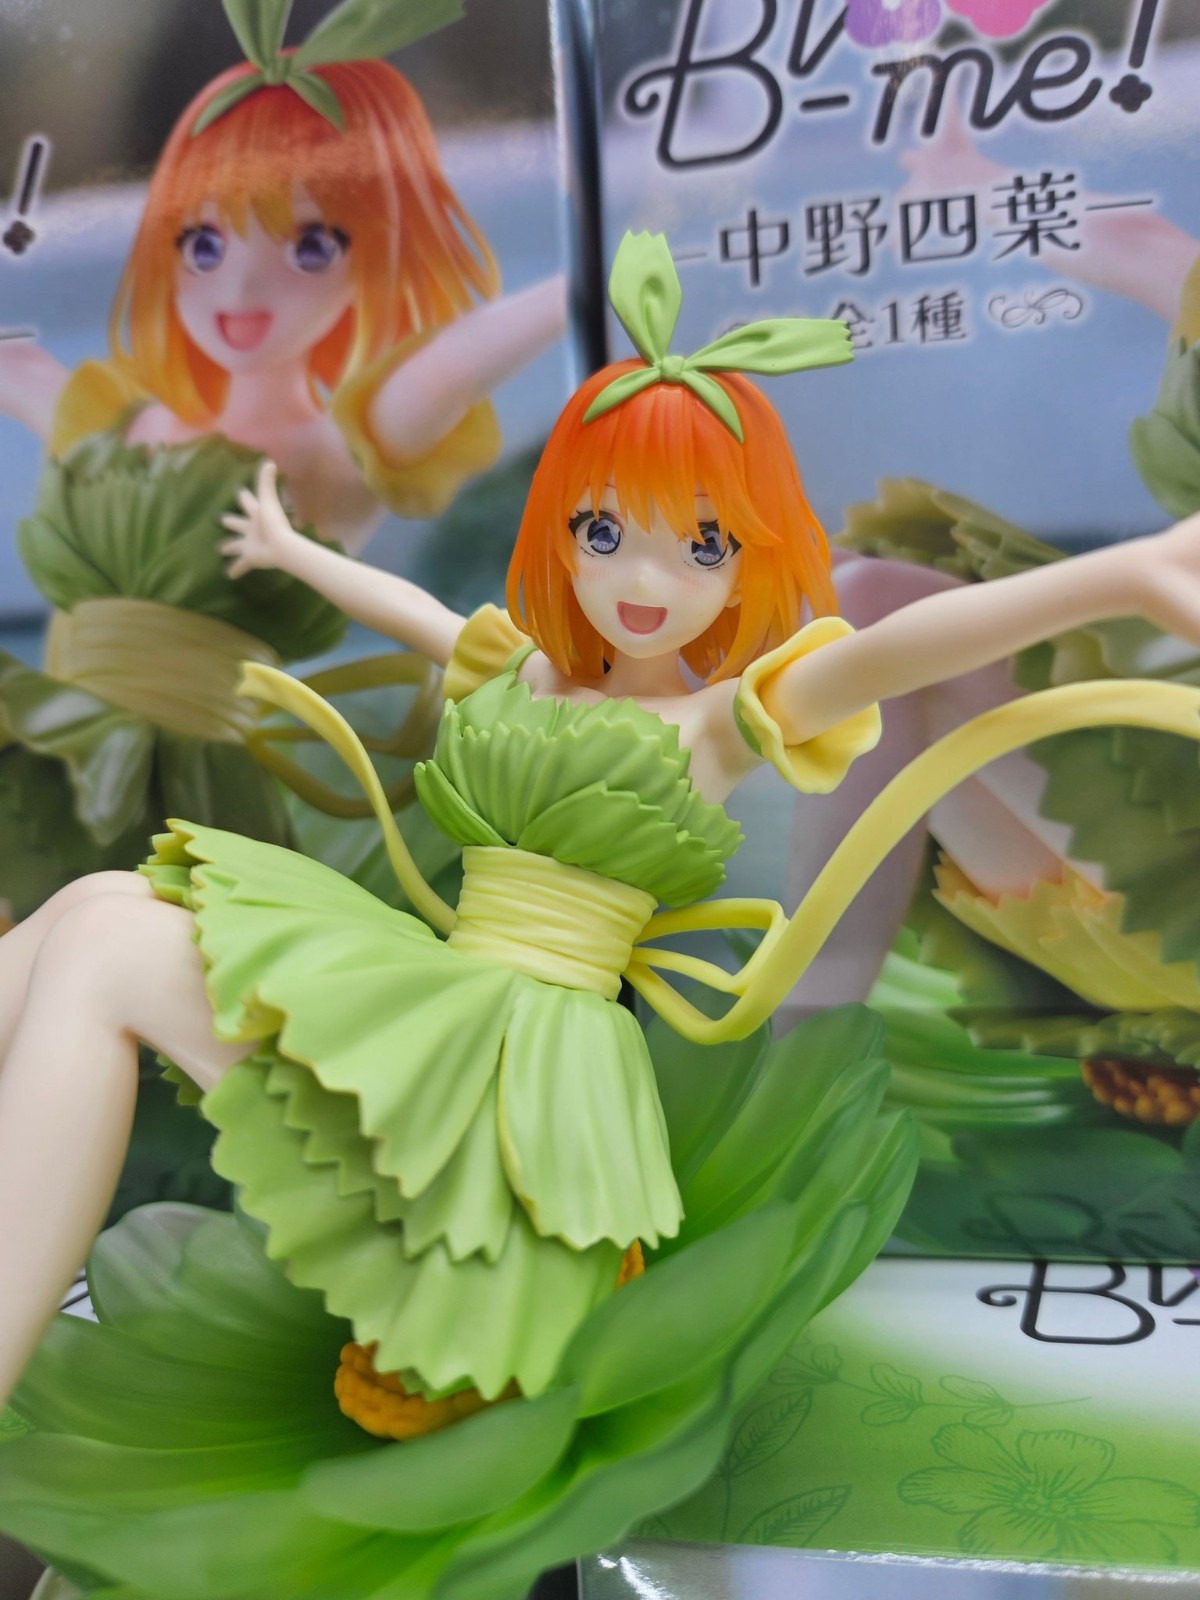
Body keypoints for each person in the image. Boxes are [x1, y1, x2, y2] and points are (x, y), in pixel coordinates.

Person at [3, 230, 1200, 1418]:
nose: (643, 580)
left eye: (702, 545)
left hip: (514, 1093)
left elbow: (905, 644)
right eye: (604, 532)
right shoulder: (527, 673)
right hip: (431, 1010)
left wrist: (1124, 572)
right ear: (562, 533)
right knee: (98, 904)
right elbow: (414, 611)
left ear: (746, 561)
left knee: (105, 941)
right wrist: (288, 552)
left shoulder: (723, 720)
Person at [0, 0, 565, 917]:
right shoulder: (114, 419)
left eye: (309, 246)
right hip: (37, 744)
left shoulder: (331, 449)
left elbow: (454, 367)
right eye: (203, 242)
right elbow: (20, 369)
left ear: (371, 257)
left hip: (173, 791)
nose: (240, 287)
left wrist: (607, 264)